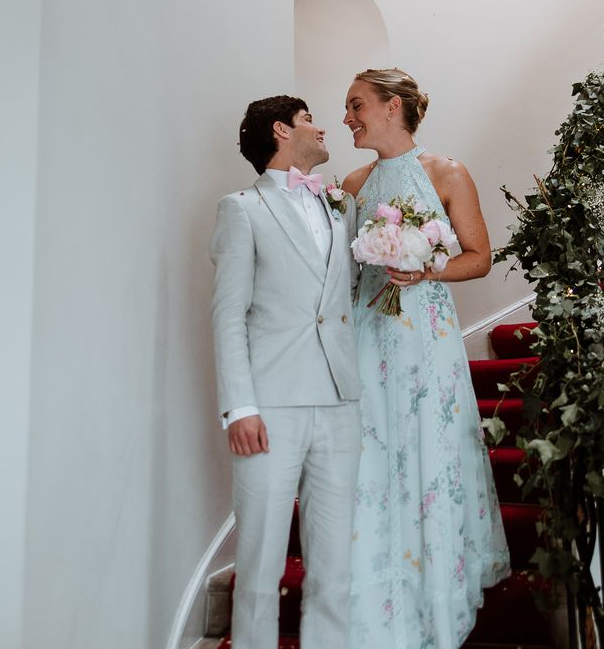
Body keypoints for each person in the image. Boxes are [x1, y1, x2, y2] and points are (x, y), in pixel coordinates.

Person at [340, 69, 511, 648]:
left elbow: (480, 257)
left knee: (427, 446)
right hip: (368, 332)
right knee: (372, 448)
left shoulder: (447, 173)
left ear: (392, 107)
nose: (347, 119)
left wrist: (426, 268)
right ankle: (376, 590)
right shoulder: (354, 182)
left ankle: (437, 585)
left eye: (356, 105)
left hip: (425, 335)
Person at [209, 95, 362, 649]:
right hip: (270, 405)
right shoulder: (241, 209)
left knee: (334, 564)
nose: (323, 128)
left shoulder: (341, 208)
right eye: (308, 120)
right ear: (281, 130)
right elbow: (228, 315)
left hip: (343, 400)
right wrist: (240, 407)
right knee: (260, 564)